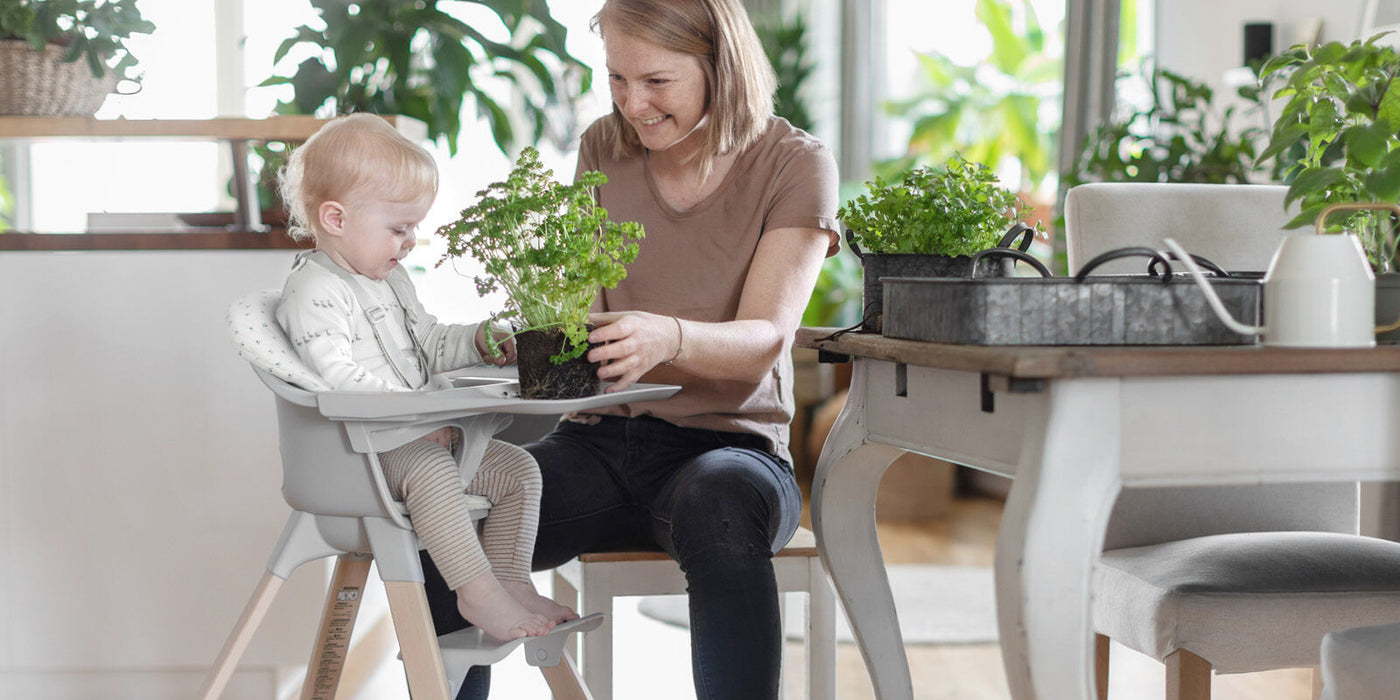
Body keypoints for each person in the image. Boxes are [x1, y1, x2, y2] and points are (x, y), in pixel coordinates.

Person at [425, 0, 839, 696]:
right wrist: (533, 340)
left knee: (718, 503)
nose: (632, 104)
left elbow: (764, 341)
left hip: (731, 450)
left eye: (656, 81)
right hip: (599, 444)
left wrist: (667, 336)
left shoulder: (794, 164)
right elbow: (584, 314)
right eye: (617, 78)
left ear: (720, 65)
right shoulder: (604, 146)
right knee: (453, 525)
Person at [274, 113, 577, 641]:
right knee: (433, 468)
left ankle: (511, 581)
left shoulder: (390, 282)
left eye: (413, 227)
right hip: (357, 453)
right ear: (336, 219)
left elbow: (428, 342)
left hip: (411, 441)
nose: (411, 241)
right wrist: (414, 422)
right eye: (399, 228)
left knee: (519, 470)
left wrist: (478, 339)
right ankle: (477, 593)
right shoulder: (315, 291)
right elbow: (338, 378)